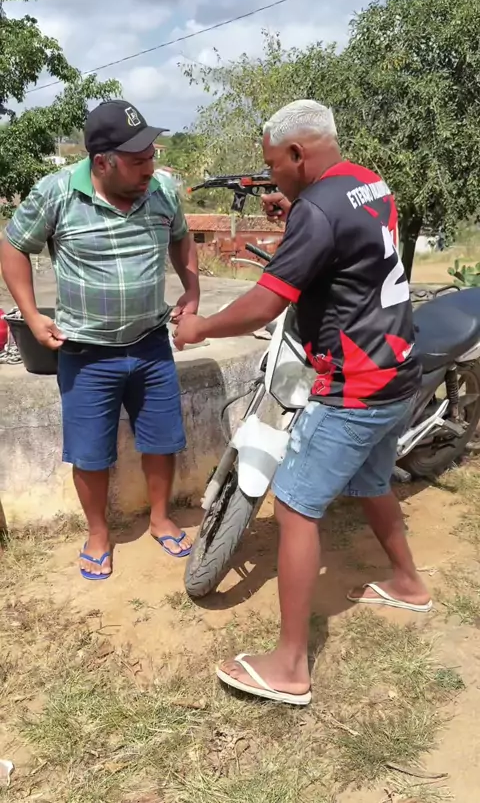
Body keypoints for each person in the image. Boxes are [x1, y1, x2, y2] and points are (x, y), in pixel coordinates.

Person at [173, 99, 430, 705]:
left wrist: (201, 327)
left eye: (274, 166)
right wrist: (297, 211)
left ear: (297, 153)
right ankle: (408, 583)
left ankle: (290, 666)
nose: (271, 177)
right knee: (372, 480)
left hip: (354, 384)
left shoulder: (318, 208)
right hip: (398, 367)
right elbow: (349, 241)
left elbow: (265, 304)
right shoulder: (366, 181)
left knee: (294, 506)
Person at [0, 99, 199, 580]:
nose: (149, 168)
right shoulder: (57, 193)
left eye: (151, 155)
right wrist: (32, 315)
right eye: (138, 160)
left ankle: (160, 519)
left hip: (151, 344)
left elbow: (182, 237)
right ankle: (97, 534)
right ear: (103, 162)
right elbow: (13, 245)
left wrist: (191, 291)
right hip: (85, 353)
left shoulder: (162, 191)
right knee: (89, 453)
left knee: (162, 441)